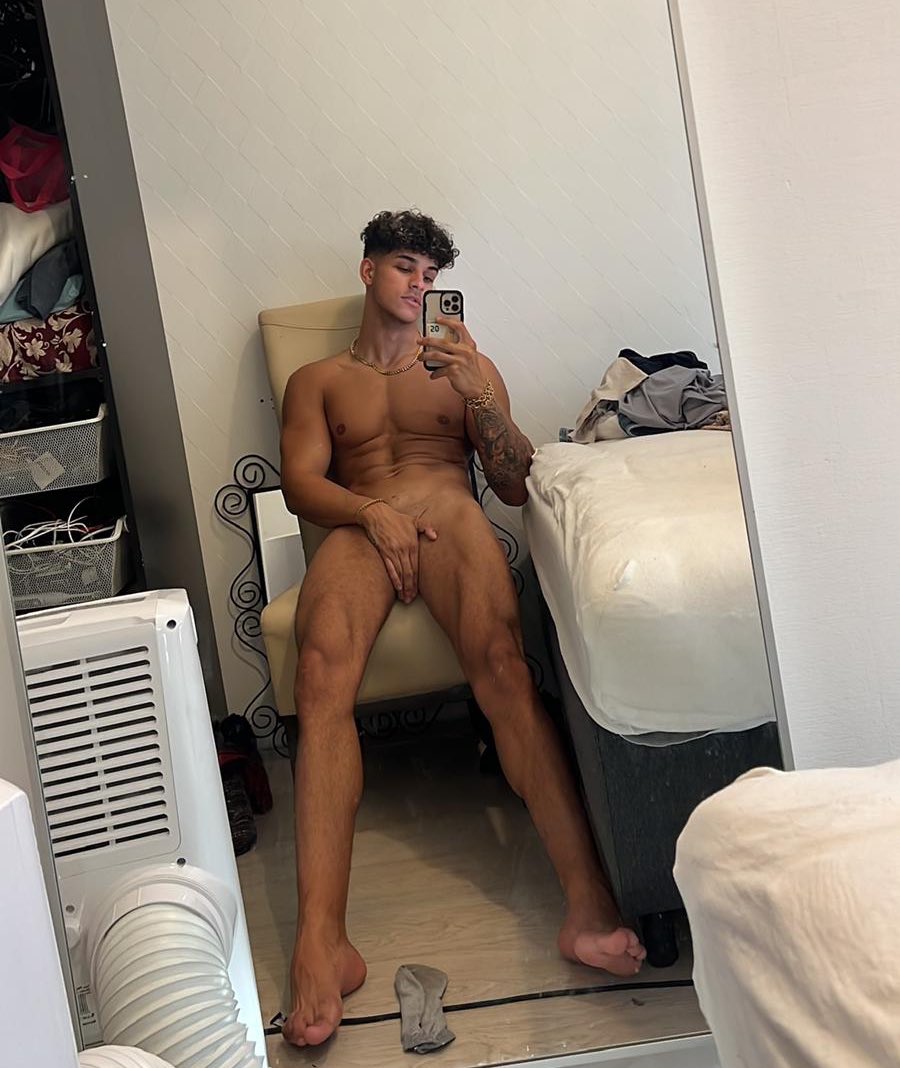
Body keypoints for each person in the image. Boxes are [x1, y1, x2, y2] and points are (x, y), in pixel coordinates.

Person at [279, 210, 647, 1047]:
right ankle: (321, 943)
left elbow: (513, 484)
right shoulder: (316, 380)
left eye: (430, 274)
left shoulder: (464, 367)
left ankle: (586, 905)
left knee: (504, 668)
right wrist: (371, 514)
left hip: (448, 512)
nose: (419, 285)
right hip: (361, 524)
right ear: (368, 271)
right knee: (319, 676)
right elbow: (302, 483)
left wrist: (478, 392)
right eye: (404, 267)